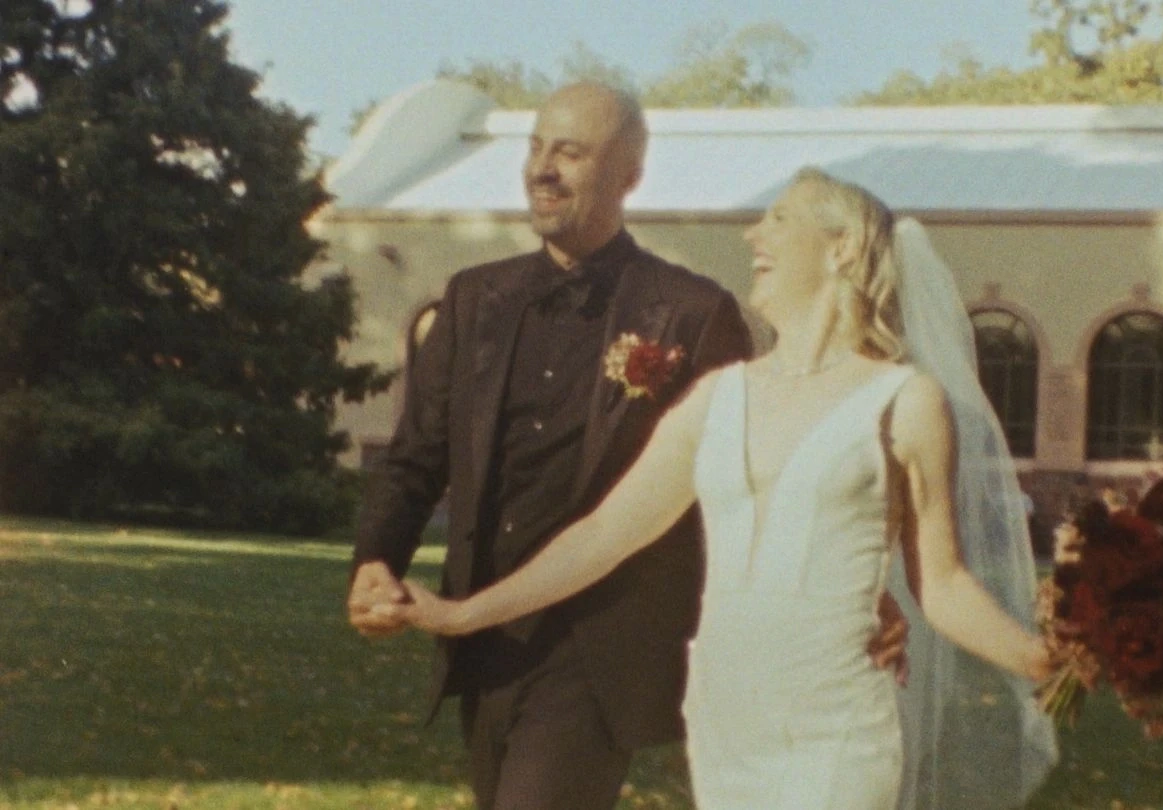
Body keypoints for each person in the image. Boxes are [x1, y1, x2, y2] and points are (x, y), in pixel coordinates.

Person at [377, 167, 1057, 810]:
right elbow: (605, 534)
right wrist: (462, 615)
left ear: (841, 248)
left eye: (779, 219)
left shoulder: (906, 402)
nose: (752, 236)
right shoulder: (719, 396)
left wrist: (1044, 658)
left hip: (836, 722)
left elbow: (942, 584)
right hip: (727, 721)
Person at [345, 84, 904, 810]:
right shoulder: (472, 298)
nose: (543, 168)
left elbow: (752, 476)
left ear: (629, 177)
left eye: (570, 152)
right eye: (536, 147)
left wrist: (862, 592)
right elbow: (415, 457)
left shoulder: (692, 314)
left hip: (598, 651)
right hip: (481, 637)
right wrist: (374, 564)